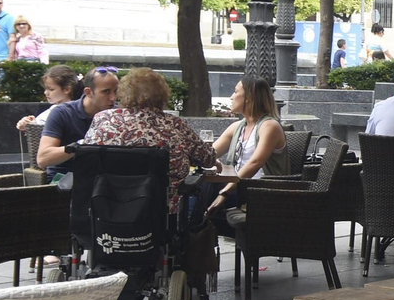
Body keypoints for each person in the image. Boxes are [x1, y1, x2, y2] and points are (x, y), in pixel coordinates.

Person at [81, 68, 217, 188]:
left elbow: (87, 157)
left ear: (123, 92)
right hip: (162, 209)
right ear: (163, 94)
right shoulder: (174, 125)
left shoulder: (103, 119)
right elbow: (208, 159)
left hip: (106, 206)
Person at [204, 75, 289, 223]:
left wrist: (224, 193)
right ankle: (195, 234)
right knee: (198, 189)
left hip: (261, 191)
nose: (231, 97)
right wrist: (212, 160)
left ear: (250, 97)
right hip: (239, 188)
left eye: (236, 92)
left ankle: (193, 235)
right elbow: (208, 155)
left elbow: (255, 163)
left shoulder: (269, 126)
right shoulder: (238, 126)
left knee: (204, 193)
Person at [37, 66, 119, 169]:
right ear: (88, 92)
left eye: (116, 91)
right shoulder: (62, 113)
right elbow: (43, 159)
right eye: (106, 92)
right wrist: (82, 145)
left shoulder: (118, 114)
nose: (113, 98)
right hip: (66, 178)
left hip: (104, 178)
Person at [16, 64, 82, 131]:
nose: (46, 92)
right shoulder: (58, 108)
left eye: (51, 89)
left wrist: (32, 125)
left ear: (67, 89)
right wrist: (29, 123)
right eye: (45, 89)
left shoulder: (67, 111)